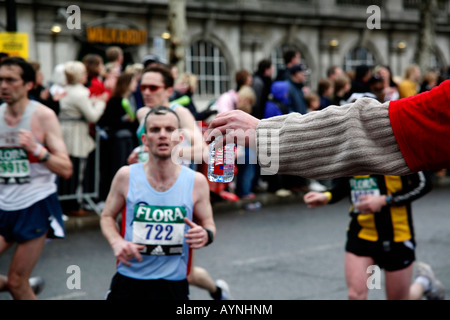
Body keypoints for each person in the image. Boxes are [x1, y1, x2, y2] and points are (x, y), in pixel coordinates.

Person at [205, 79, 450, 179]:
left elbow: (369, 130)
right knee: (356, 292)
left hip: (396, 232)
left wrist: (265, 133)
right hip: (360, 232)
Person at [128, 65, 231, 300]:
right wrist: (140, 155)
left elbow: (203, 151)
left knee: (182, 270)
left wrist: (168, 155)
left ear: (169, 89)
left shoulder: (180, 113)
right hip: (147, 191)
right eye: (142, 87)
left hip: (177, 194)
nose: (146, 92)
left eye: (153, 87)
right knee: (144, 259)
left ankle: (217, 292)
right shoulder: (143, 113)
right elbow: (147, 146)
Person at [100, 106, 216, 300]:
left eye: (170, 129)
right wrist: (116, 241)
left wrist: (206, 234)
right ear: (145, 140)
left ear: (180, 138)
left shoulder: (196, 182)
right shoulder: (126, 176)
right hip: (129, 280)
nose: (163, 135)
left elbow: (209, 225)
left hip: (173, 285)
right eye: (155, 130)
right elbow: (106, 216)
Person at [303, 170, 444, 300]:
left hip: (397, 235)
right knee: (355, 295)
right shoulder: (352, 150)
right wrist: (327, 196)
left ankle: (424, 283)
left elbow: (423, 184)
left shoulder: (400, 149)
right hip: (361, 233)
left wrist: (385, 200)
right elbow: (344, 185)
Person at [0, 57, 73, 299]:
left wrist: (37, 149)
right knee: (15, 282)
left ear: (28, 84)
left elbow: (65, 168)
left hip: (35, 204)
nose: (3, 86)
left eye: (10, 80)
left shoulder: (43, 116)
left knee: (17, 282)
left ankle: (20, 285)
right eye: (0, 80)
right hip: (3, 204)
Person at [58, 61, 107, 214]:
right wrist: (101, 103)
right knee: (76, 169)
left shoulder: (66, 90)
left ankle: (69, 203)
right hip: (76, 134)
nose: (86, 75)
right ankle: (72, 205)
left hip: (66, 132)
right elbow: (92, 116)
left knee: (69, 169)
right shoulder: (80, 93)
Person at [97, 72, 139, 203]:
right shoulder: (115, 100)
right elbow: (105, 121)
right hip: (117, 140)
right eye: (133, 82)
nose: (136, 85)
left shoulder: (132, 99)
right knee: (117, 168)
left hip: (129, 139)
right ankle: (110, 198)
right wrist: (124, 119)